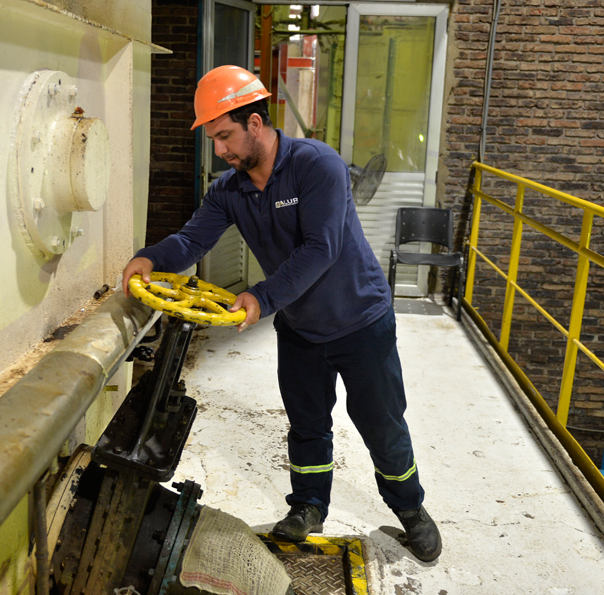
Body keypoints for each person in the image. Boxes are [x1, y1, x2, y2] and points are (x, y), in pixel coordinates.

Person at [121, 65, 442, 562]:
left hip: (361, 322)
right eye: (213, 139)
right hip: (300, 330)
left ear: (254, 123)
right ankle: (309, 506)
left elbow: (321, 248)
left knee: (382, 425)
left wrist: (261, 297)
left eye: (224, 136)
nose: (220, 150)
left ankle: (411, 510)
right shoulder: (230, 191)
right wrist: (150, 258)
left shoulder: (316, 165)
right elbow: (190, 241)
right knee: (307, 423)